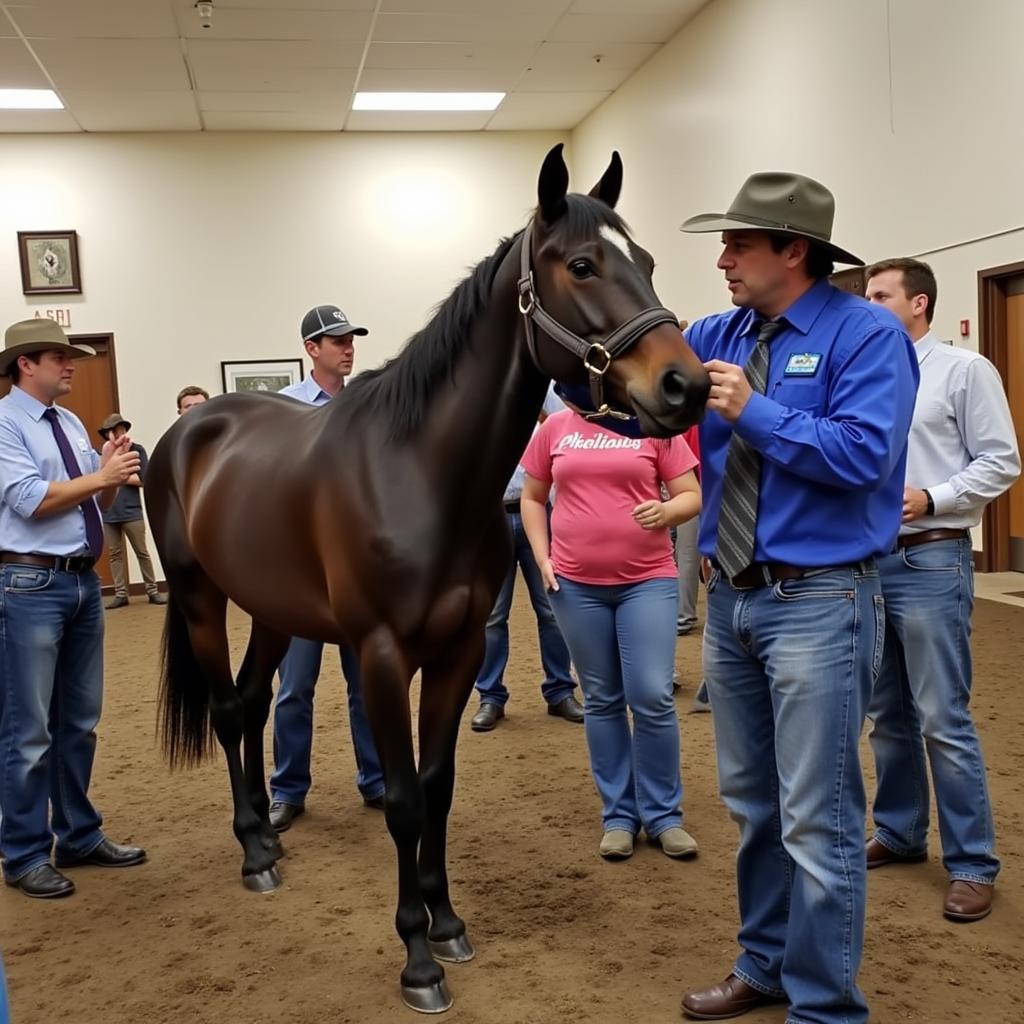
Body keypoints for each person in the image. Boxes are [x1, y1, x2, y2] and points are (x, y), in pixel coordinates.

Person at [677, 173, 918, 1023]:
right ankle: (766, 966)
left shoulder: (869, 337)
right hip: (733, 601)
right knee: (754, 808)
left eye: (738, 244)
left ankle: (824, 1007)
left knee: (819, 820)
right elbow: (651, 407)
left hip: (819, 602)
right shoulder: (716, 331)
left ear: (794, 249)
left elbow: (864, 455)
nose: (722, 259)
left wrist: (756, 410)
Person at [864, 257, 1020, 922]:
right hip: (867, 563)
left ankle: (973, 863)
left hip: (932, 558)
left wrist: (933, 497)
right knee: (887, 714)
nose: (868, 306)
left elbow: (1002, 459)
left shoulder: (963, 370)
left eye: (880, 295)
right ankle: (900, 833)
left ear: (919, 303)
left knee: (942, 718)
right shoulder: (867, 371)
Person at [0, 318, 147, 899]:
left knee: (79, 723)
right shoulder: (5, 424)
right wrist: (101, 476)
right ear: (24, 365)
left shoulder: (68, 421)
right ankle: (23, 852)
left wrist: (109, 472)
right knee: (28, 729)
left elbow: (97, 497)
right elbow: (31, 500)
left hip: (82, 584)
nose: (69, 364)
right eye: (57, 357)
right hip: (30, 583)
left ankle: (79, 834)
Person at [520, 404, 702, 862]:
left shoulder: (651, 424)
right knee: (602, 698)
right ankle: (619, 816)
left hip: (648, 580)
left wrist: (665, 512)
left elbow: (690, 494)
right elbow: (532, 496)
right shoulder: (556, 428)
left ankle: (664, 816)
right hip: (575, 586)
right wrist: (543, 557)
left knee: (651, 694)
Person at [268, 304, 385, 832]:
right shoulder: (285, 409)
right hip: (302, 573)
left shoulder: (369, 404)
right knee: (295, 685)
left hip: (360, 568)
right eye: (335, 340)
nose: (348, 347)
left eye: (350, 339)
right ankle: (288, 788)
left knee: (369, 682)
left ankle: (377, 779)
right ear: (311, 349)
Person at [470, 385, 583, 732]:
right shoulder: (479, 392)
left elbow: (565, 426)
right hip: (491, 517)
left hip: (540, 512)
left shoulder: (544, 391)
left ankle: (560, 691)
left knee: (552, 609)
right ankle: (490, 696)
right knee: (491, 615)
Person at [97, 412, 166, 608]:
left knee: (142, 552)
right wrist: (116, 472)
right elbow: (99, 478)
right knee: (114, 554)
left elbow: (144, 479)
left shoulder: (137, 450)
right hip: (109, 514)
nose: (117, 433)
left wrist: (116, 475)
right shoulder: (103, 454)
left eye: (120, 428)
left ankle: (152, 591)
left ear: (125, 430)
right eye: (112, 430)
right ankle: (121, 594)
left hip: (132, 511)